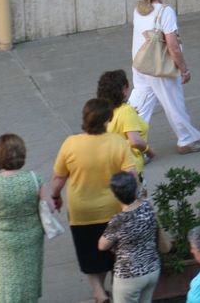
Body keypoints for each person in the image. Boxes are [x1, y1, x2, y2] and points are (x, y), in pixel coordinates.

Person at [50, 98, 138, 303]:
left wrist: (55, 196)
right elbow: (131, 175)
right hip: (114, 208)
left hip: (82, 211)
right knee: (117, 252)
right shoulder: (117, 142)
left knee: (90, 252)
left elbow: (58, 178)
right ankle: (117, 287)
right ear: (107, 120)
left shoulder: (70, 143)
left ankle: (98, 291)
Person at [128, 0, 200, 154]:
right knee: (173, 103)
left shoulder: (138, 8)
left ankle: (129, 140)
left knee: (140, 103)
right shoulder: (165, 11)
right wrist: (184, 69)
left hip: (140, 64)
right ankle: (187, 139)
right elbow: (173, 46)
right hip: (159, 67)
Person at [0, 134, 47, 303]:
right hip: (32, 235)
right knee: (30, 273)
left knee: (8, 275)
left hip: (7, 238)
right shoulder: (34, 178)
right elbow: (48, 206)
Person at [98, 172, 162, 303]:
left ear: (115, 195)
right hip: (152, 268)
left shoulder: (119, 220)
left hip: (129, 275)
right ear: (135, 189)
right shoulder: (148, 207)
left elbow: (102, 245)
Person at [98, 69, 153, 174]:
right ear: (124, 89)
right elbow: (135, 141)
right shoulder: (126, 111)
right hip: (130, 167)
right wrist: (149, 152)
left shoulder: (101, 110)